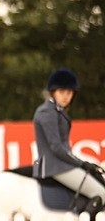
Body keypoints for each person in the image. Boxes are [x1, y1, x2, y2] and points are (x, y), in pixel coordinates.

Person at [33, 68, 105, 212]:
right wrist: (81, 163)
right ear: (53, 92)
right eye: (62, 92)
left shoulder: (58, 111)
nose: (66, 97)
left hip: (61, 164)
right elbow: (56, 147)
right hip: (55, 166)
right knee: (101, 194)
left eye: (69, 93)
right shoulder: (47, 112)